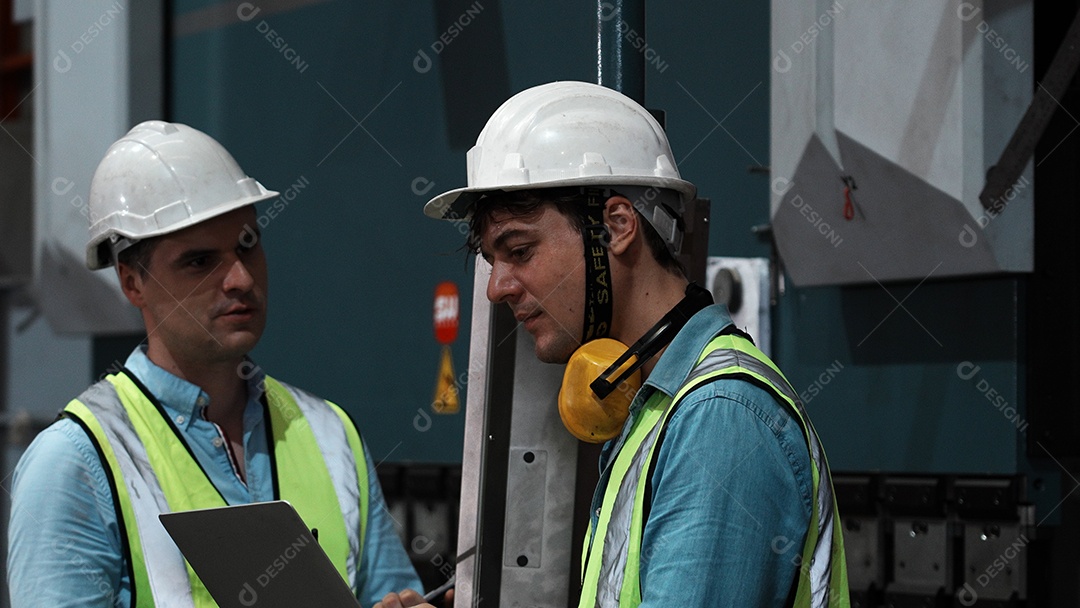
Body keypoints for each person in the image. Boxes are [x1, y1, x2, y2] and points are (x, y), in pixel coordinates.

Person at [422, 81, 850, 607]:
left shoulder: (718, 418)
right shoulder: (657, 408)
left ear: (617, 226)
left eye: (520, 250)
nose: (497, 287)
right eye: (494, 260)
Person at [6, 121, 425, 607]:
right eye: (200, 261)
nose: (241, 278)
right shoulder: (75, 461)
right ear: (131, 282)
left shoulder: (332, 434)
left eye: (247, 245)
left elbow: (394, 595)